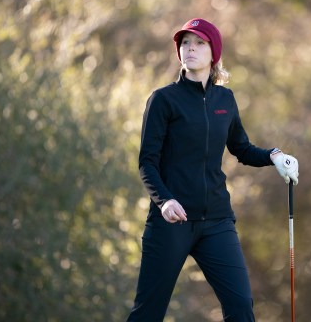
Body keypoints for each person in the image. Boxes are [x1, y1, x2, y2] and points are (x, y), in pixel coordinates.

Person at [127, 18, 299, 321]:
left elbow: (241, 148)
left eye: (199, 43)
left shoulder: (225, 100)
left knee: (241, 308)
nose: (190, 49)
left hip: (217, 222)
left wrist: (274, 156)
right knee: (147, 314)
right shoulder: (164, 100)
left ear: (213, 52)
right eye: (185, 44)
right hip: (172, 223)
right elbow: (147, 162)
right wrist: (164, 200)